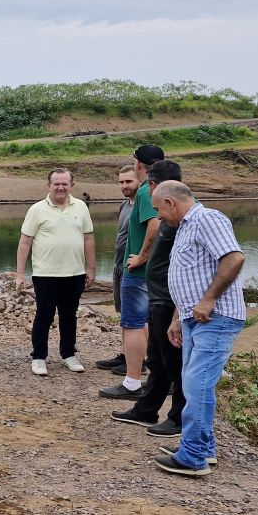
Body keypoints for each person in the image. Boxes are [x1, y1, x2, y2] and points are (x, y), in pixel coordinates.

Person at [151, 180, 246, 477]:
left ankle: (193, 457)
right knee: (195, 383)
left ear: (171, 203)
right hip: (195, 319)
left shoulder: (208, 219)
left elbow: (234, 258)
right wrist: (177, 318)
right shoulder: (185, 227)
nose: (158, 217)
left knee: (197, 384)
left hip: (215, 317)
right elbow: (188, 276)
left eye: (158, 210)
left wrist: (208, 300)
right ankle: (204, 448)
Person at [110, 160, 186, 436]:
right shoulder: (171, 214)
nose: (157, 215)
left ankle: (178, 418)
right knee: (157, 356)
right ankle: (146, 409)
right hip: (159, 296)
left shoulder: (183, 217)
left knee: (173, 360)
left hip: (170, 299)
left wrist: (141, 257)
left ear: (155, 185)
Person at [15, 168, 96, 376]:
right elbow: (25, 242)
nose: (60, 187)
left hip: (74, 273)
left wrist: (91, 267)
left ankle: (68, 354)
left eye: (65, 184)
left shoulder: (81, 207)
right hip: (45, 274)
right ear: (48, 185)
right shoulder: (37, 209)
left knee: (69, 315)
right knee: (44, 316)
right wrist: (20, 274)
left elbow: (88, 238)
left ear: (71, 185)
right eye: (56, 184)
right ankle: (39, 357)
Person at [100, 144, 163, 399]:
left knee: (134, 323)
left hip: (138, 273)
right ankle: (147, 376)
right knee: (142, 323)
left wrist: (142, 257)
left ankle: (132, 382)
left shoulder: (148, 191)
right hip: (139, 270)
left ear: (139, 165)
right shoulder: (155, 191)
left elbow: (155, 224)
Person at [95, 165, 140, 374]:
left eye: (129, 181)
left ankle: (140, 362)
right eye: (121, 182)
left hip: (134, 268)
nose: (124, 186)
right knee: (124, 315)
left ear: (139, 179)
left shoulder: (143, 204)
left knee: (137, 319)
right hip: (118, 266)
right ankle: (125, 355)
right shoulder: (124, 205)